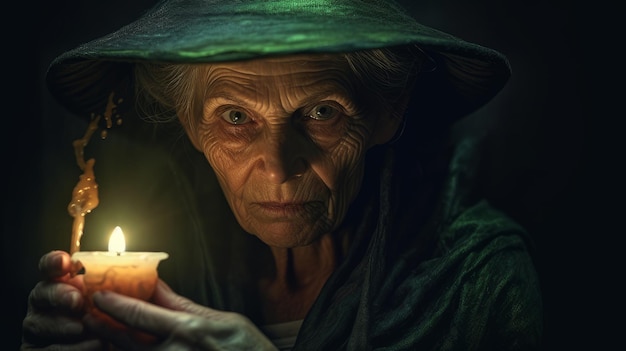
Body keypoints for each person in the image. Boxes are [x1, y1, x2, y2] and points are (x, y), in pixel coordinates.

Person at [22, 0, 543, 350]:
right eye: (235, 117)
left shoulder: (476, 279)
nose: (278, 165)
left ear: (388, 113)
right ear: (190, 124)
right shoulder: (167, 268)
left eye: (321, 113)